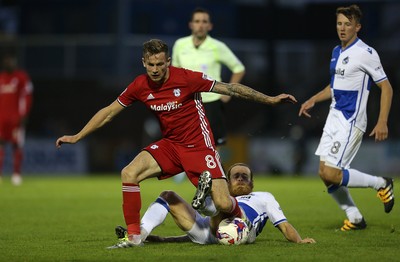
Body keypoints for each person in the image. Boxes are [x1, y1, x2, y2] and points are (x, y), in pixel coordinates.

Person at [55, 39, 297, 248]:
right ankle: (134, 236)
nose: (155, 69)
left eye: (160, 64)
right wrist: (77, 136)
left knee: (223, 202)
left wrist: (270, 100)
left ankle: (235, 214)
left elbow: (230, 88)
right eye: (151, 64)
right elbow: (109, 111)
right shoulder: (140, 85)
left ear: (168, 61)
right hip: (171, 145)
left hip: (199, 146)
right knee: (129, 173)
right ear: (143, 63)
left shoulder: (187, 78)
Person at [298, 5, 394, 231]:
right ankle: (355, 217)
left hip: (351, 119)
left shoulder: (366, 53)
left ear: (357, 27)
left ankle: (381, 183)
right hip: (334, 116)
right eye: (339, 23)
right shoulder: (336, 51)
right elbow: (335, 86)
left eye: (347, 24)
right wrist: (314, 98)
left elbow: (387, 87)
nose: (342, 28)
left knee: (333, 173)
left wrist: (382, 121)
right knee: (325, 174)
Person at [113, 163, 316, 245]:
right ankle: (140, 234)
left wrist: (299, 241)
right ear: (227, 182)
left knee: (224, 203)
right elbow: (190, 237)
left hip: (243, 227)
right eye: (236, 176)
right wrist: (162, 240)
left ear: (253, 183)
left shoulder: (264, 197)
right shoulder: (225, 194)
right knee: (168, 195)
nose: (241, 179)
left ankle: (204, 203)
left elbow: (284, 225)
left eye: (245, 177)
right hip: (209, 229)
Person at [172, 7, 245, 147]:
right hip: (188, 102)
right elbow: (175, 72)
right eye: (197, 21)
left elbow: (239, 69)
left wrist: (228, 93)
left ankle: (214, 169)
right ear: (191, 24)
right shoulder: (180, 45)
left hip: (211, 102)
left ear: (210, 26)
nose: (200, 25)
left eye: (204, 21)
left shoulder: (217, 46)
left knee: (212, 145)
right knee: (185, 143)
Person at [0, 52, 33, 186]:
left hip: (16, 118)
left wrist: (24, 115)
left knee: (16, 145)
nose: (9, 63)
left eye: (11, 60)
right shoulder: (1, 78)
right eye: (7, 60)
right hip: (1, 119)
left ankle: (16, 174)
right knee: (0, 144)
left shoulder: (22, 77)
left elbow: (27, 96)